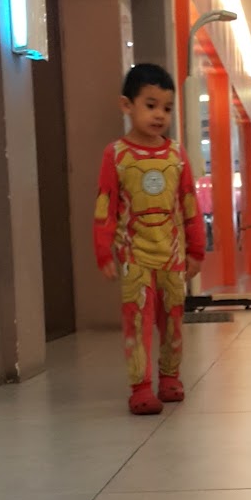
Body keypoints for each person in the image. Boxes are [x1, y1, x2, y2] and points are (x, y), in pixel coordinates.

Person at [94, 63, 204, 414]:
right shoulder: (116, 155)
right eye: (151, 105)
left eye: (167, 108)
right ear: (126, 105)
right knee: (137, 322)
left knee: (173, 320)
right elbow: (105, 205)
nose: (160, 115)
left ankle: (170, 377)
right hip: (135, 259)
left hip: (172, 258)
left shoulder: (177, 155)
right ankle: (140, 387)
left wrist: (196, 250)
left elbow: (189, 203)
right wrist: (104, 251)